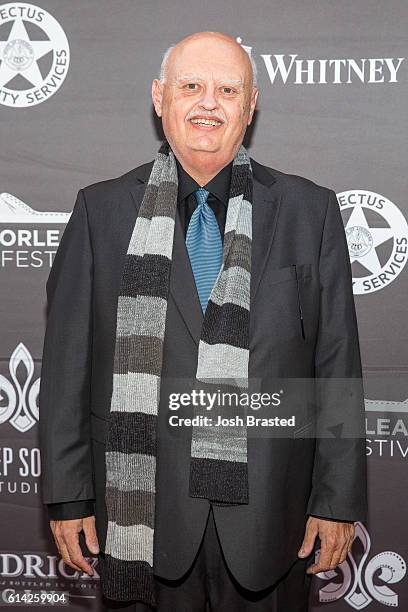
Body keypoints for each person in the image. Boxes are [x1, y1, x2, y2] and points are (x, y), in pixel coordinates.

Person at [39, 31, 367, 612]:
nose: (208, 103)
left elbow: (334, 360)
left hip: (274, 518)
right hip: (143, 516)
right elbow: (67, 368)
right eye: (191, 86)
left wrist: (337, 499)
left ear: (251, 104)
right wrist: (69, 497)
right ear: (159, 97)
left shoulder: (309, 211)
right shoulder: (101, 211)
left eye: (227, 89)